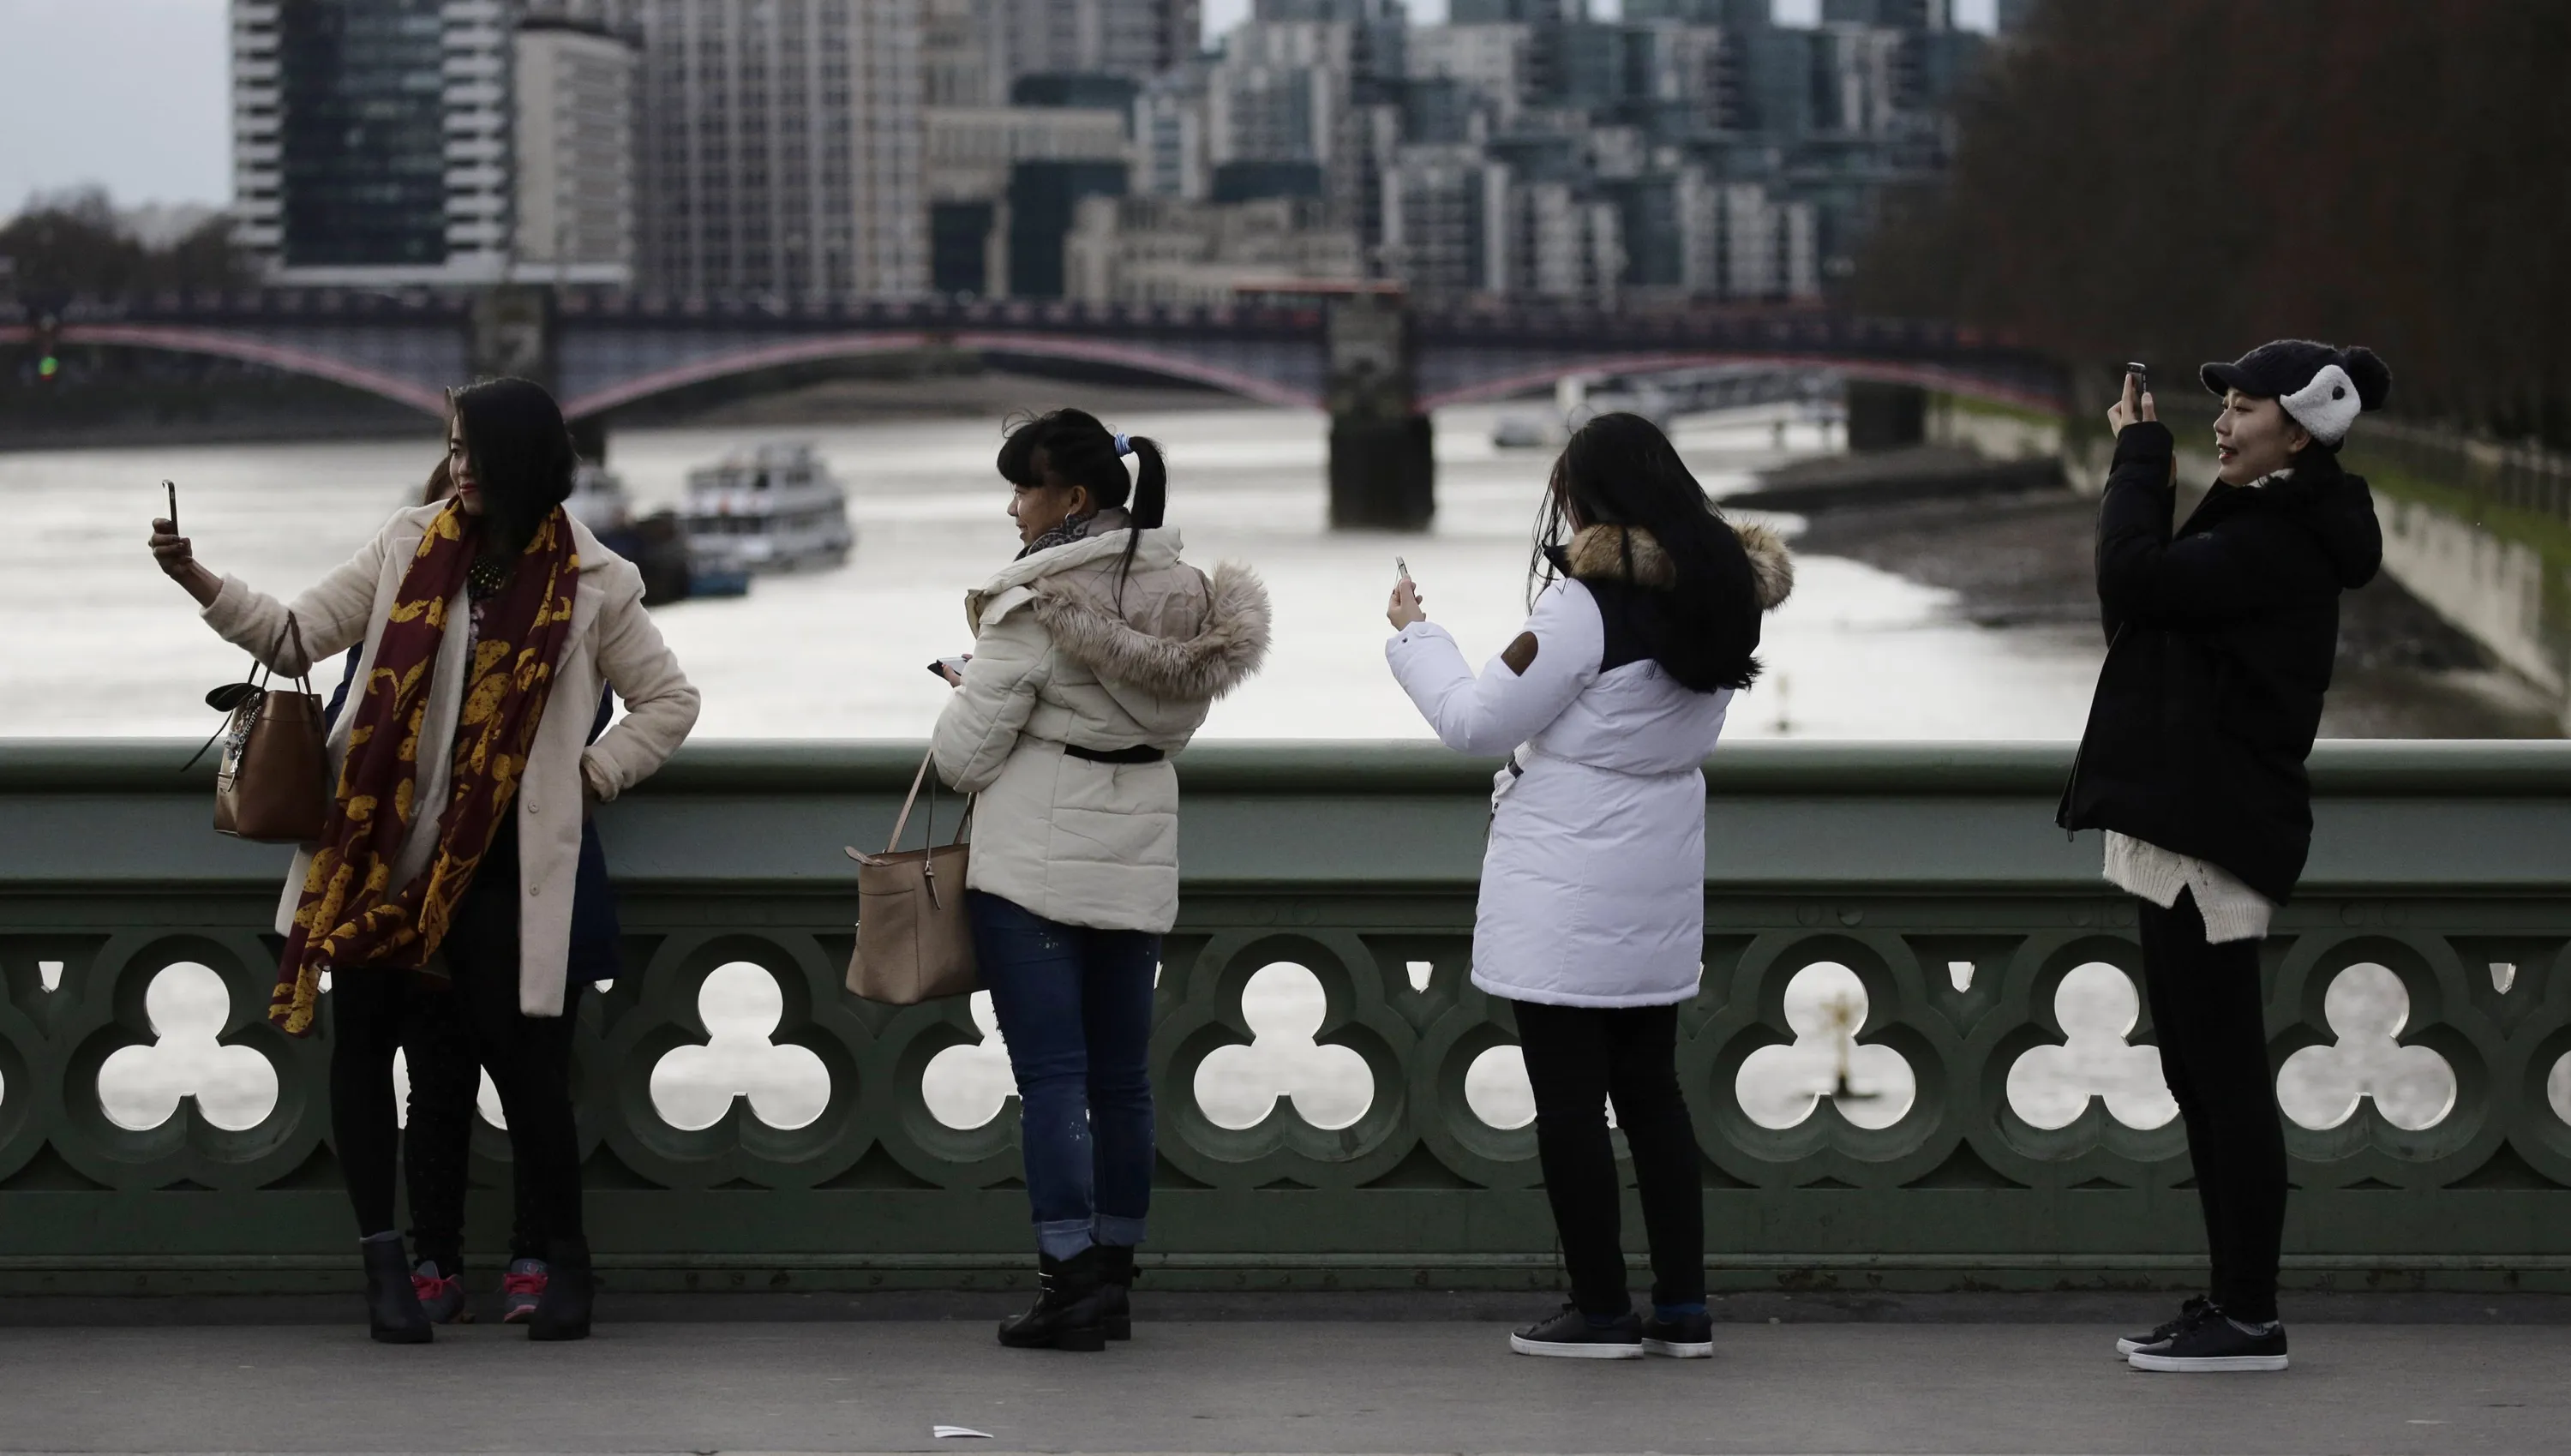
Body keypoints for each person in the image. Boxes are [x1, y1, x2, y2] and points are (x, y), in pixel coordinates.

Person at [147, 376, 700, 1343]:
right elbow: (294, 637)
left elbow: (670, 701)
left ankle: (565, 1263)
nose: (458, 468)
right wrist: (196, 576)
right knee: (365, 1049)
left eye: (473, 450)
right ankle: (388, 1271)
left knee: (526, 1066)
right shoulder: (407, 543)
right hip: (379, 849)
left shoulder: (597, 579)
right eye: (451, 448)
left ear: (522, 459)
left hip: (501, 858)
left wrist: (589, 775)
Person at [1385, 411, 1792, 1360]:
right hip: (1660, 865)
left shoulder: (1582, 606)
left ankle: (1601, 1307)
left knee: (1569, 1102)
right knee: (1653, 1095)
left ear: (1589, 497)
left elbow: (1477, 722)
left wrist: (1415, 634)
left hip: (1567, 878)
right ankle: (1682, 1306)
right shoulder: (1723, 592)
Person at [2059, 342, 2389, 1374]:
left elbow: (2130, 575)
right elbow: (2138, 613)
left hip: (2217, 824)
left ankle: (2249, 1312)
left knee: (2226, 1076)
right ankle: (2233, 1302)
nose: (2223, 421)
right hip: (2194, 816)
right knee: (2200, 1072)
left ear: (2298, 431)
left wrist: (2136, 464)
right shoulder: (2264, 517)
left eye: (2243, 406)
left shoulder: (2280, 537)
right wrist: (2153, 479)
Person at [932, 408, 1270, 1351]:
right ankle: (1113, 1280)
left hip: (1031, 870)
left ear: (1073, 498)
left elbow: (962, 758)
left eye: (1023, 489)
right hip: (1138, 851)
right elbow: (1164, 720)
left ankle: (1066, 1281)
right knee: (1122, 1080)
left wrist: (972, 689)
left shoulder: (1034, 606)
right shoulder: (1189, 597)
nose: (1013, 508)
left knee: (1052, 1079)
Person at [321, 458, 631, 1327]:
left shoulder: (577, 590)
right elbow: (348, 702)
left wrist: (581, 771)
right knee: (440, 1078)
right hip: (418, 881)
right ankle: (440, 1259)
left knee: (528, 1077)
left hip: (528, 877)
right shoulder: (400, 589)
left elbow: (607, 708)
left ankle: (526, 1257)